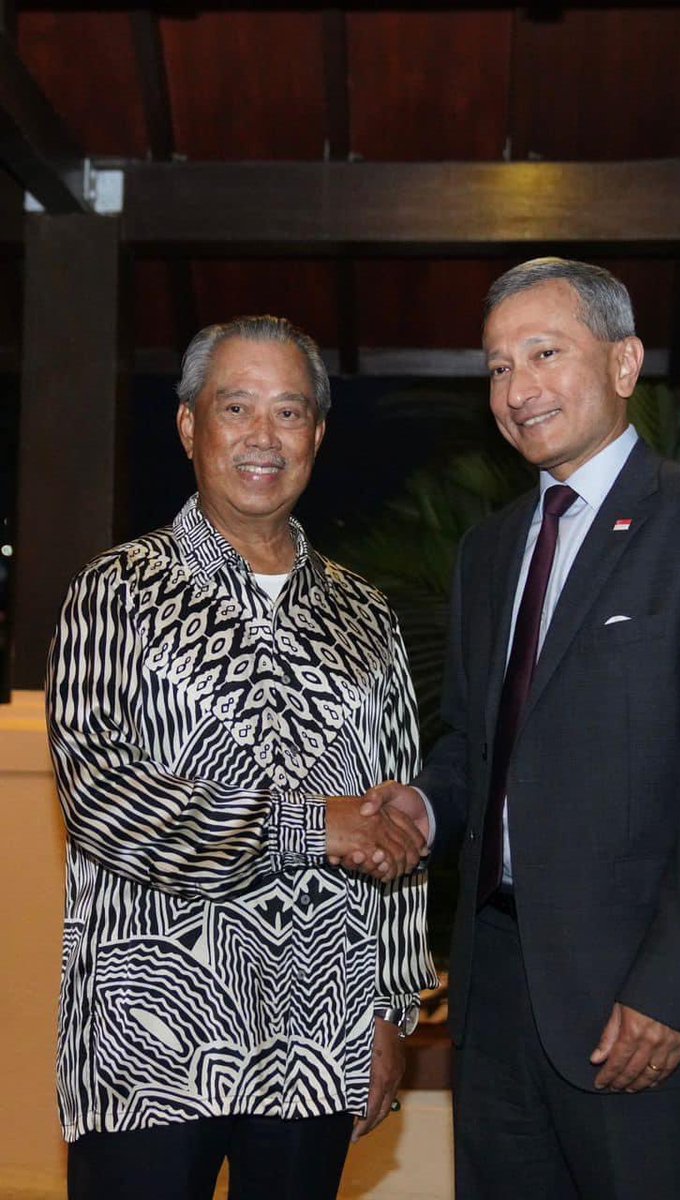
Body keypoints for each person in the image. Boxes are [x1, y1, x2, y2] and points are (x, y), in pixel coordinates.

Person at [361, 258, 680, 1198]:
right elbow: (479, 747)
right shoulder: (490, 551)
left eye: (543, 354)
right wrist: (425, 811)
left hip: (640, 1011)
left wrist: (668, 994)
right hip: (499, 999)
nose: (516, 390)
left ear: (626, 362)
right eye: (497, 366)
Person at [46, 315, 435, 1200]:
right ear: (190, 427)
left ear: (318, 436)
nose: (264, 436)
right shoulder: (116, 592)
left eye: (289, 412)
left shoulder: (367, 615)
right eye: (237, 407)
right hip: (149, 1044)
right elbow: (104, 801)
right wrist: (310, 827)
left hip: (320, 1038)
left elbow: (399, 822)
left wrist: (390, 1013)